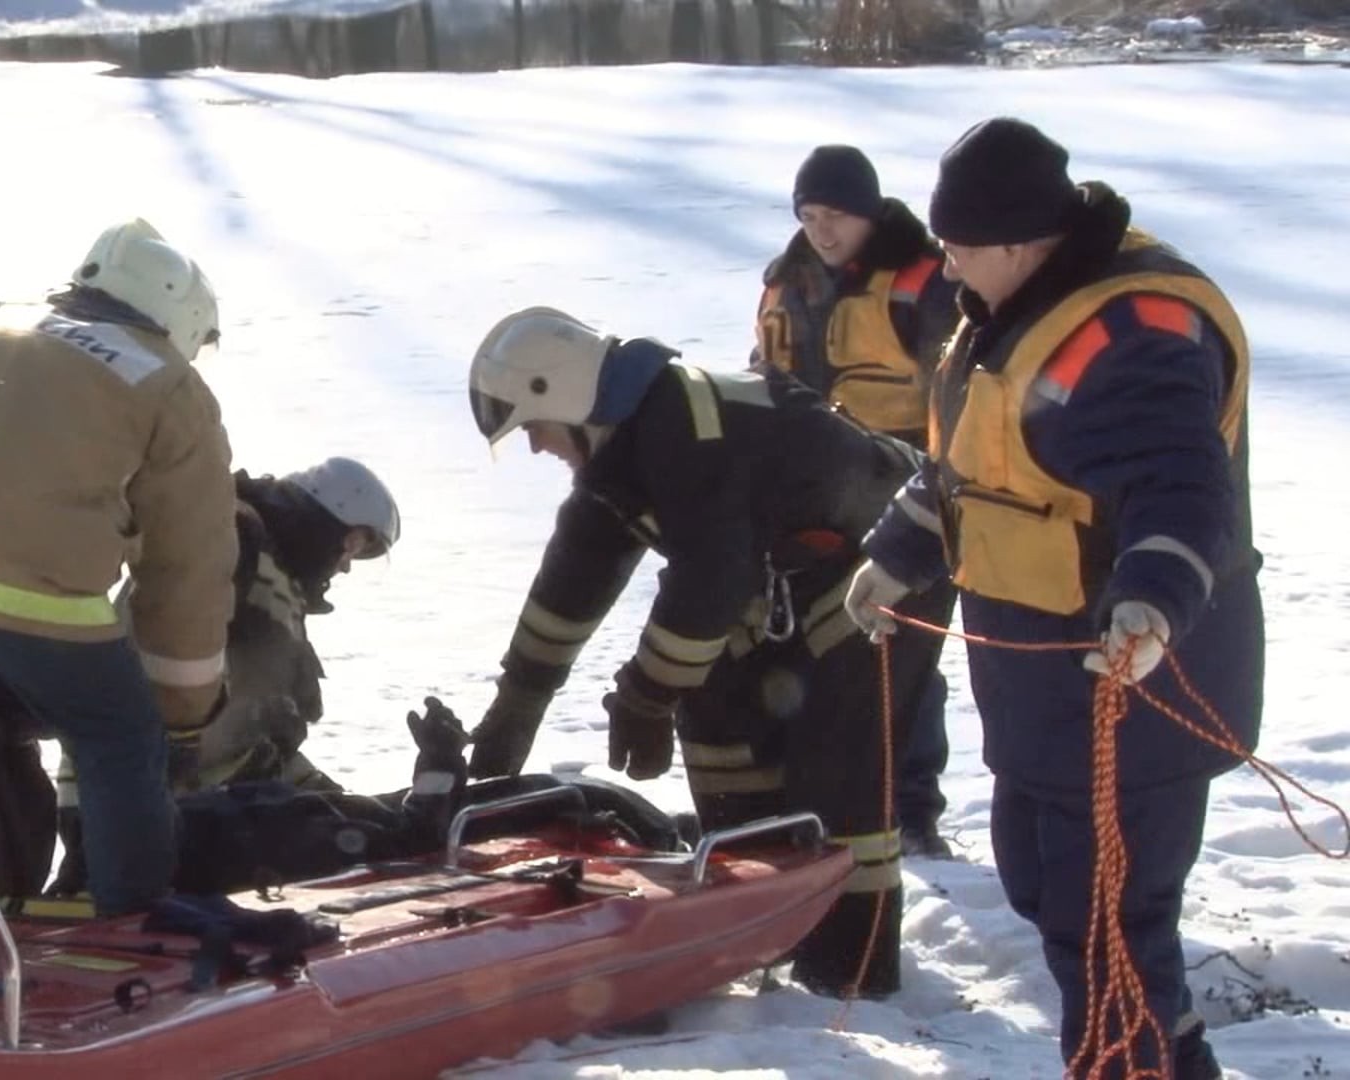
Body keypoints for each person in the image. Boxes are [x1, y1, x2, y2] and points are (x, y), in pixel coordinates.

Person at [845, 117, 1260, 1078]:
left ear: (1021, 242)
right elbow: (972, 462)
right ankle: (1152, 1048)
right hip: (1037, 685)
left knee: (1107, 922)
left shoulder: (1134, 334)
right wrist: (899, 553)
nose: (944, 269)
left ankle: (1137, 1063)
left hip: (1131, 681)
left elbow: (1179, 484)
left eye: (957, 249)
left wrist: (1151, 602)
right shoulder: (1011, 306)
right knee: (1044, 887)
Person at [464, 307, 952, 997]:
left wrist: (648, 690)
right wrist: (520, 699)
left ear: (563, 394)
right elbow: (575, 577)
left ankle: (852, 969)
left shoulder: (686, 430)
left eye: (534, 428)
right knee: (718, 731)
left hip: (881, 571)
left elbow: (712, 578)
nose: (539, 448)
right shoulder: (624, 452)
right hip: (787, 584)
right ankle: (760, 927)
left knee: (835, 769)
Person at [0, 218, 235, 955]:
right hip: (28, 577)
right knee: (117, 736)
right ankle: (133, 922)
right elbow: (188, 565)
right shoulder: (169, 386)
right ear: (181, 320)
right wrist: (181, 715)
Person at [49, 457, 402, 895]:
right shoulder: (235, 543)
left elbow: (252, 736)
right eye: (351, 544)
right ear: (326, 519)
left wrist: (335, 802)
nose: (345, 566)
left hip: (167, 805)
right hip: (133, 803)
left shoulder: (271, 574)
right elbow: (159, 682)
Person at [753, 144, 961, 858]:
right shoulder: (789, 283)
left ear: (868, 211)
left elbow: (963, 383)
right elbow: (764, 378)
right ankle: (825, 799)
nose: (822, 230)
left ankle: (913, 807)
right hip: (808, 491)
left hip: (904, 483)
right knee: (816, 651)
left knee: (904, 651)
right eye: (809, 216)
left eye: (835, 215)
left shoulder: (924, 281)